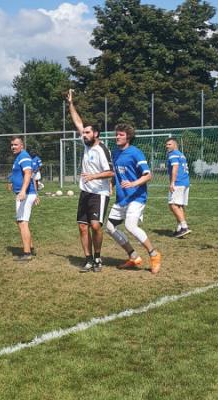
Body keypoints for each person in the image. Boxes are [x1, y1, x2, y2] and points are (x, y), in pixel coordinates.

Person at [103, 123, 162, 274]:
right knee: (109, 227)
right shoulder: (115, 153)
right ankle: (133, 256)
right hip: (122, 198)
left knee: (130, 226)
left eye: (121, 135)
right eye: (116, 134)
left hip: (137, 196)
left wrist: (133, 184)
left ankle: (154, 254)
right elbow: (116, 173)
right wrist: (111, 185)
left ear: (128, 137)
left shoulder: (136, 153)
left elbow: (148, 175)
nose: (117, 137)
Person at [67, 89, 114, 273]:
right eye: (84, 132)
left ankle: (98, 257)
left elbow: (111, 172)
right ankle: (88, 259)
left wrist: (93, 176)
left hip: (99, 193)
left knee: (95, 226)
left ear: (96, 134)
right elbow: (78, 122)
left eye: (87, 132)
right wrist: (71, 104)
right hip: (85, 192)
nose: (84, 134)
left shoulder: (102, 150)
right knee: (82, 227)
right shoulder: (86, 144)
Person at [10, 136, 37, 261]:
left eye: (16, 145)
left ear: (22, 145)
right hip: (25, 193)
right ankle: (30, 248)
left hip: (25, 194)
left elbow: (28, 174)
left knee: (22, 223)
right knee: (21, 221)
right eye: (12, 145)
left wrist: (23, 191)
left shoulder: (24, 156)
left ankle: (27, 254)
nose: (13, 147)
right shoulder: (19, 157)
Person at [165, 138, 191, 238]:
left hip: (178, 182)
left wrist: (172, 182)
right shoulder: (181, 154)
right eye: (166, 144)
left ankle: (184, 227)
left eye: (169, 144)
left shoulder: (173, 154)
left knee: (173, 205)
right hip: (185, 182)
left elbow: (175, 168)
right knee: (179, 205)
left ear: (175, 145)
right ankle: (180, 228)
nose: (167, 146)